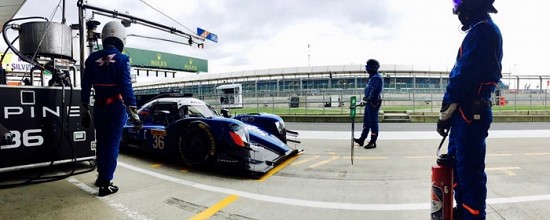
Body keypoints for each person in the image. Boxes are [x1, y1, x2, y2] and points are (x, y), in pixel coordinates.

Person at [437, 0, 502, 219]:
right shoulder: (481, 30)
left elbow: (462, 76)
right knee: (459, 166)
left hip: (470, 114)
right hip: (465, 113)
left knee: (469, 171)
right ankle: (464, 209)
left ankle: (472, 215)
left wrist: (445, 111)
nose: (456, 9)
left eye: (459, 3)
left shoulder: (483, 31)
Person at [81, 21, 142, 197]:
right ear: (122, 38)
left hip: (98, 107)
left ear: (104, 37)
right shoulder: (123, 59)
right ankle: (106, 183)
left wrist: (85, 109)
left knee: (101, 142)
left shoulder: (92, 59)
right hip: (115, 107)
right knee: (112, 144)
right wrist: (134, 114)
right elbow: (126, 87)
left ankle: (101, 177)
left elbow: (86, 86)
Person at [354, 59, 383, 149]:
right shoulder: (372, 77)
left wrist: (365, 99)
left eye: (368, 66)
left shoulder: (376, 78)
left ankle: (373, 141)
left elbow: (371, 90)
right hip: (369, 102)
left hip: (373, 103)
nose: (366, 68)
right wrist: (366, 99)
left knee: (373, 122)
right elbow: (368, 90)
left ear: (374, 67)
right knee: (366, 121)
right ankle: (362, 139)